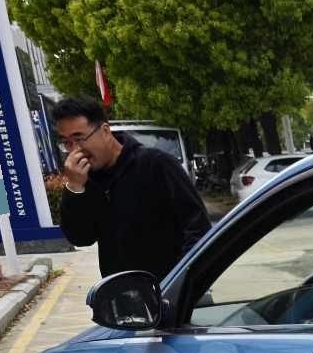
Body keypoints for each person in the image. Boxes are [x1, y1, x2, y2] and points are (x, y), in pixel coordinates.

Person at [52, 96, 210, 281]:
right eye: (67, 143)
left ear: (104, 130)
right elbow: (81, 238)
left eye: (79, 138)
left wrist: (182, 281)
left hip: (175, 291)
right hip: (123, 296)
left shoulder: (156, 165)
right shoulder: (86, 179)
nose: (75, 150)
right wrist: (74, 188)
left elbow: (198, 228)